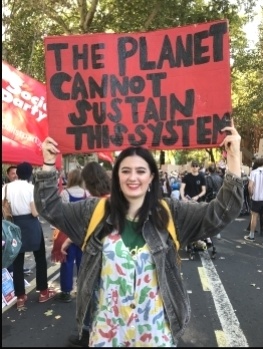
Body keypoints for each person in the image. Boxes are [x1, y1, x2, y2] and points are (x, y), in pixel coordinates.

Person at [34, 122, 243, 347]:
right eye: (125, 171)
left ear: (151, 177)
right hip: (106, 336)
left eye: (141, 171)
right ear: (116, 176)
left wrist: (234, 158)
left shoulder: (171, 213)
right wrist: (47, 163)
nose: (133, 177)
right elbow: (50, 209)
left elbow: (221, 212)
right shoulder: (93, 213)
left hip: (155, 337)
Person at [67, 161, 111, 347]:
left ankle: (88, 332)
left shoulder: (95, 203)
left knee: (91, 293)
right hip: (115, 260)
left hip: (99, 257)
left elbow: (90, 229)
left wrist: (68, 240)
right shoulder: (113, 198)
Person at [6, 162, 56, 310]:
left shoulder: (6, 188)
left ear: (18, 173)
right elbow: (35, 212)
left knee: (17, 262)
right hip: (31, 225)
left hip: (13, 227)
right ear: (30, 174)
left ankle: (20, 297)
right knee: (40, 258)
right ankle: (43, 292)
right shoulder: (31, 188)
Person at [55, 169, 90, 303]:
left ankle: (66, 292)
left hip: (68, 232)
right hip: (83, 233)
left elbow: (62, 214)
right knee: (83, 263)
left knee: (67, 262)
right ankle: (83, 290)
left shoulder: (65, 193)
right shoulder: (87, 194)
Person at [244, 157, 263, 241]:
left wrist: (251, 194)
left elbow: (250, 186)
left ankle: (251, 235)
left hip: (256, 198)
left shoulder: (254, 172)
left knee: (254, 216)